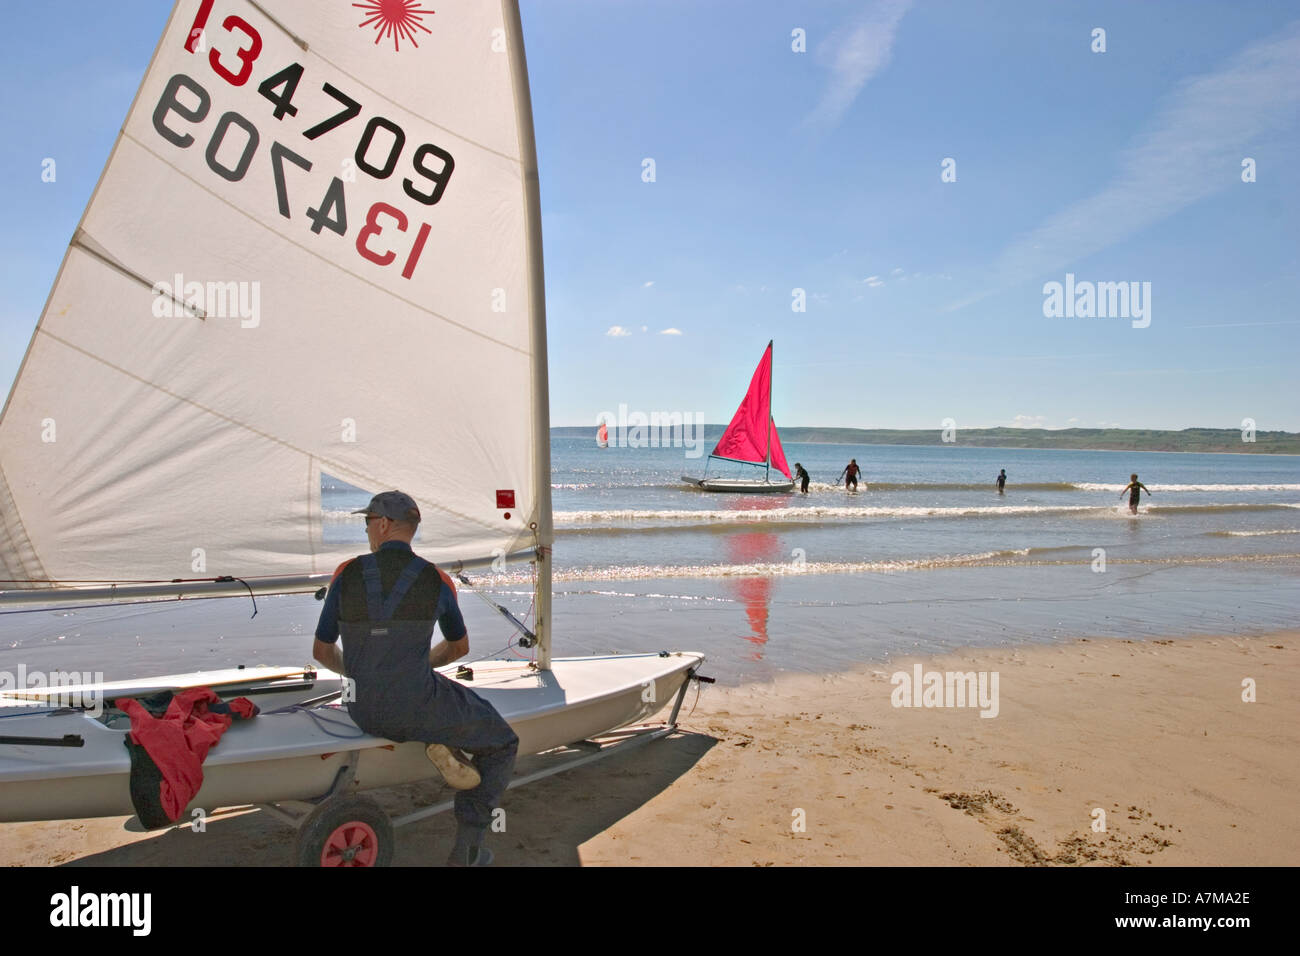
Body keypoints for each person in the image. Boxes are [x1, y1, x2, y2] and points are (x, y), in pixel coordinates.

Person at [313, 491, 518, 866]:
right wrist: (414, 663)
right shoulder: (437, 580)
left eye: (367, 522)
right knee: (502, 742)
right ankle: (468, 851)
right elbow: (458, 648)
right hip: (416, 707)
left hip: (360, 707)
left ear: (384, 525)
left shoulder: (346, 573)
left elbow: (322, 653)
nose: (366, 531)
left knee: (423, 702)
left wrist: (359, 671)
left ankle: (441, 738)